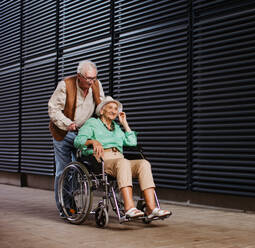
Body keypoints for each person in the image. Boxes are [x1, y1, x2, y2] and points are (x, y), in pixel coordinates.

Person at [74, 96, 171, 219]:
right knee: (123, 163)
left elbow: (132, 142)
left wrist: (124, 123)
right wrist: (92, 141)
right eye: (110, 107)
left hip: (119, 159)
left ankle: (151, 208)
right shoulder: (92, 123)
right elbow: (78, 141)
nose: (114, 111)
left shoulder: (117, 127)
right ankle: (129, 208)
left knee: (144, 163)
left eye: (116, 109)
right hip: (102, 160)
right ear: (102, 110)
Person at [48, 60, 105, 214]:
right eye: (88, 79)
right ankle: (65, 207)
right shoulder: (65, 85)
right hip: (64, 132)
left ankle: (71, 199)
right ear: (79, 76)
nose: (91, 82)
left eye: (94, 78)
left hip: (83, 134)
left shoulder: (96, 85)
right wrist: (67, 123)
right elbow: (53, 109)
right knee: (63, 170)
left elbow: (101, 106)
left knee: (80, 169)